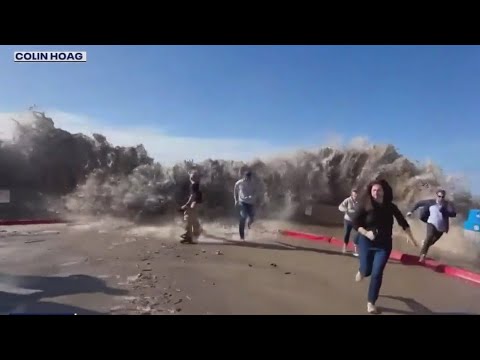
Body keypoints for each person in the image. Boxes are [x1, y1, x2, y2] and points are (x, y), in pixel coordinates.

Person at [351, 179, 418, 314]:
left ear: (384, 191)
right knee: (367, 270)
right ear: (370, 192)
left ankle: (371, 302)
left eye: (379, 190)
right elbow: (355, 222)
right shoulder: (365, 205)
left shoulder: (390, 206)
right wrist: (366, 233)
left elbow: (402, 222)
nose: (376, 193)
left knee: (377, 273)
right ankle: (362, 271)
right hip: (366, 241)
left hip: (384, 245)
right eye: (374, 190)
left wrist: (411, 238)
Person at [406, 189, 456, 263]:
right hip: (431, 223)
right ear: (436, 196)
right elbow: (419, 203)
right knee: (429, 236)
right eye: (439, 196)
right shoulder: (430, 202)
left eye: (442, 197)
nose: (441, 198)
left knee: (431, 242)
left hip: (441, 228)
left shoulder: (447, 204)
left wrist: (444, 211)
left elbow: (453, 214)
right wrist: (411, 211)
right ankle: (422, 256)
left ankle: (425, 243)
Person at [233, 170, 257, 240]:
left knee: (252, 218)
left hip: (250, 202)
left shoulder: (253, 183)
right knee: (243, 217)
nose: (248, 178)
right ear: (244, 176)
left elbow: (255, 192)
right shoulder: (240, 182)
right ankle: (242, 236)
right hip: (242, 202)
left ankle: (249, 224)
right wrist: (236, 200)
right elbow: (235, 189)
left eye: (249, 177)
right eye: (246, 177)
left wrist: (253, 196)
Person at [180, 172, 203, 244]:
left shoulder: (194, 185)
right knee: (194, 219)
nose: (191, 177)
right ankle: (195, 234)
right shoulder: (198, 185)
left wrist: (187, 204)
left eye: (192, 176)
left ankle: (189, 235)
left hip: (194, 203)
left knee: (188, 217)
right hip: (198, 203)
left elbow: (193, 195)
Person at [338, 189, 360, 256]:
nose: (355, 196)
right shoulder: (347, 200)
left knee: (356, 235)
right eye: (353, 195)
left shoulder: (359, 201)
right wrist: (347, 210)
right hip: (347, 220)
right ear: (351, 195)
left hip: (355, 221)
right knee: (346, 234)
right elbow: (340, 207)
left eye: (356, 195)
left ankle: (356, 250)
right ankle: (344, 247)